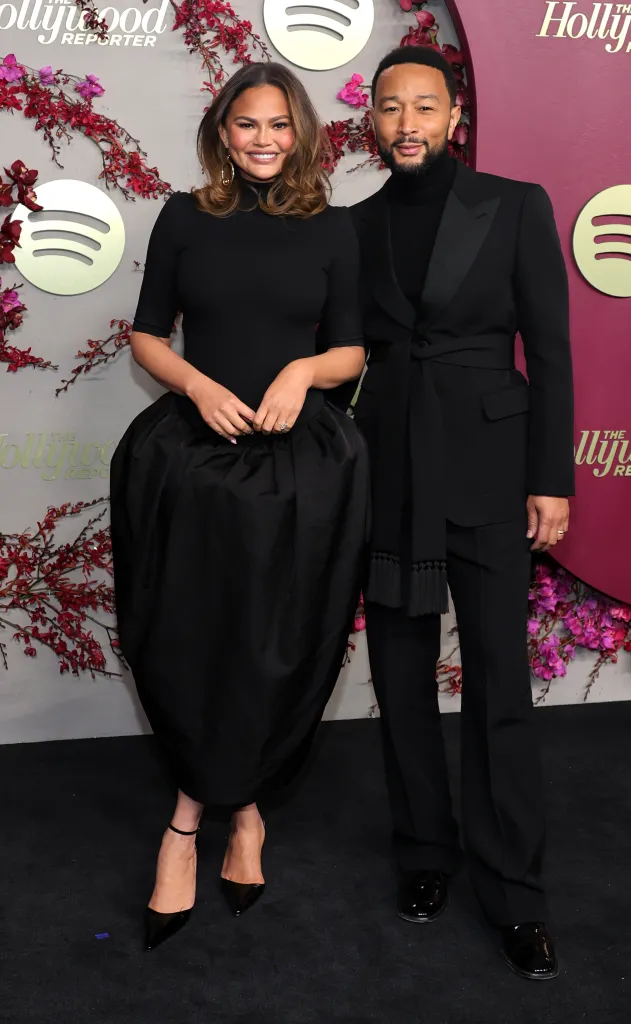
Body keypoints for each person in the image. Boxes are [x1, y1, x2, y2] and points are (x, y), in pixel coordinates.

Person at [110, 62, 369, 952]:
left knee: (269, 647)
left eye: (279, 126)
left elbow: (348, 352)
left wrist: (300, 371)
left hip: (299, 470)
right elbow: (147, 333)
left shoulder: (334, 229)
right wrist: (194, 383)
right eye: (246, 125)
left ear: (300, 135)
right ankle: (203, 821)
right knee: (189, 639)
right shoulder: (184, 215)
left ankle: (222, 819)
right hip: (193, 462)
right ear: (223, 132)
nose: (263, 140)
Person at [334, 47, 574, 980]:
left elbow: (548, 349)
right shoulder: (351, 227)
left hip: (487, 464)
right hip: (389, 469)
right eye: (389, 107)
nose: (405, 123)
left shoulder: (513, 204)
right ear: (372, 119)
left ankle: (515, 892)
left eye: (422, 107)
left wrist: (549, 479)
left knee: (498, 685)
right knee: (398, 676)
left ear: (452, 115)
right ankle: (423, 853)